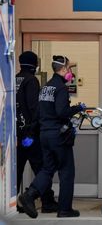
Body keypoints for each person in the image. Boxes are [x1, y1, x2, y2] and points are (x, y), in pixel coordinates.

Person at [19, 55, 86, 219]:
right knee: (66, 171)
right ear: (63, 69)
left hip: (45, 136)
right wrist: (78, 108)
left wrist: (31, 133)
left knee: (47, 169)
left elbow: (37, 113)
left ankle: (29, 195)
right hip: (58, 136)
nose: (70, 71)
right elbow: (61, 112)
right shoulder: (61, 88)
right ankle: (64, 209)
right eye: (69, 68)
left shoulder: (45, 87)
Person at [15, 51, 58, 214]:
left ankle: (13, 202)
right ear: (34, 64)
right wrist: (35, 131)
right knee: (42, 169)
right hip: (30, 135)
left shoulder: (15, 79)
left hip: (16, 135)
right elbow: (34, 108)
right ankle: (47, 202)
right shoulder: (31, 80)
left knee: (16, 172)